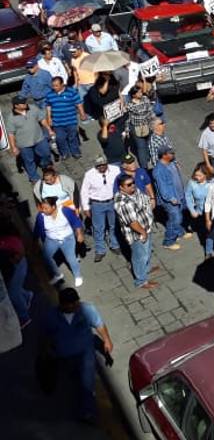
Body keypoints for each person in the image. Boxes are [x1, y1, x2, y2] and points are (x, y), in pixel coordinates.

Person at [41, 289, 114, 421]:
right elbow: (47, 335)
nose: (77, 306)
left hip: (85, 353)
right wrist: (47, 350)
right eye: (73, 304)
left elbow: (99, 325)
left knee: (87, 383)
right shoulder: (51, 316)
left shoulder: (86, 310)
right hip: (65, 357)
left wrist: (107, 340)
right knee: (76, 380)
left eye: (77, 302)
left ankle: (88, 412)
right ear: (63, 304)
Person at [114, 173, 158, 289]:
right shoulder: (123, 203)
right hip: (137, 234)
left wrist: (151, 202)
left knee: (147, 251)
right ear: (121, 187)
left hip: (146, 228)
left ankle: (146, 269)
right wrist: (143, 232)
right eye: (129, 185)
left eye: (133, 182)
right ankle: (141, 281)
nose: (133, 186)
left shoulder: (134, 191)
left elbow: (143, 199)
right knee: (140, 257)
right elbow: (133, 222)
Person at [35, 196, 85, 287]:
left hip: (67, 239)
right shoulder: (41, 216)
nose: (44, 210)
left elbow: (76, 221)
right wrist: (35, 240)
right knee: (46, 257)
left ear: (53, 207)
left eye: (46, 208)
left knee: (71, 258)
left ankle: (78, 276)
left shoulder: (65, 211)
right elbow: (37, 229)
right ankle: (57, 274)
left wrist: (79, 234)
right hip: (51, 240)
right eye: (43, 208)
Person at [80, 157, 120, 262]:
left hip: (113, 201)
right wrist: (86, 207)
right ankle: (100, 250)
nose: (102, 167)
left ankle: (114, 244)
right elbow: (84, 191)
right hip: (97, 204)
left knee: (114, 225)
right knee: (98, 228)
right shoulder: (89, 174)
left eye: (103, 165)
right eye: (99, 165)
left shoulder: (115, 170)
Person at [9, 97, 51, 183]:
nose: (26, 104)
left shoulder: (33, 108)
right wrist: (13, 147)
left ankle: (44, 165)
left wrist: (49, 129)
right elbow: (11, 133)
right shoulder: (11, 118)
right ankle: (34, 177)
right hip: (24, 144)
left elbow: (42, 119)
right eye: (23, 103)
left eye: (25, 102)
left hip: (39, 138)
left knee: (46, 153)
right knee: (29, 161)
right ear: (16, 106)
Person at [151, 147, 186, 250]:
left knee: (177, 216)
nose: (173, 154)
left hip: (178, 195)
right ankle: (168, 241)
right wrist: (171, 198)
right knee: (175, 218)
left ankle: (179, 232)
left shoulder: (170, 163)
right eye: (171, 153)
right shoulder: (159, 170)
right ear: (164, 155)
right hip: (171, 200)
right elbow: (162, 188)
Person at [43, 76, 85, 159]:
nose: (54, 87)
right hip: (57, 122)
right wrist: (49, 118)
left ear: (62, 84)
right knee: (60, 139)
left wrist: (82, 114)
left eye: (56, 85)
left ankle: (75, 152)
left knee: (72, 137)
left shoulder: (71, 92)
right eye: (53, 85)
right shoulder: (49, 95)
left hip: (71, 120)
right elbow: (48, 107)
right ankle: (64, 153)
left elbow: (78, 104)